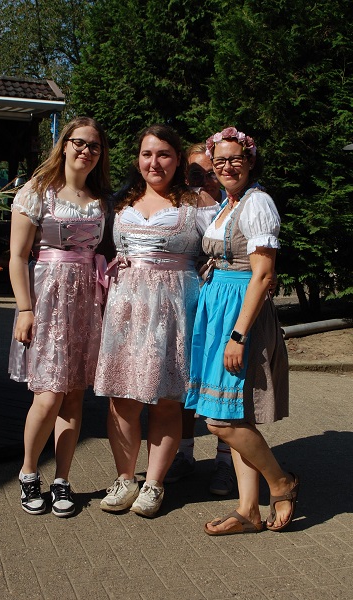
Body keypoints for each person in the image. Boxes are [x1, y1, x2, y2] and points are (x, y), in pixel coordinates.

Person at [94, 124, 217, 518]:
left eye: (163, 154)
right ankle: (126, 478)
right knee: (122, 398)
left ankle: (154, 484)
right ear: (138, 159)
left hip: (174, 308)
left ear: (178, 159)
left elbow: (229, 241)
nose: (154, 162)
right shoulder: (119, 201)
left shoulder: (197, 204)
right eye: (147, 154)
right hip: (126, 308)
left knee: (166, 399)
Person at [185, 126, 299, 535]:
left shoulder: (258, 203)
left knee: (220, 421)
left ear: (250, 160)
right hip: (219, 308)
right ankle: (249, 509)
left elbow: (264, 274)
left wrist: (238, 334)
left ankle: (280, 482)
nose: (227, 166)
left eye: (236, 158)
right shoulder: (227, 205)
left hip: (239, 313)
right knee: (233, 414)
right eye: (220, 161)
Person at [8, 116, 111, 517]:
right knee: (48, 394)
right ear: (65, 145)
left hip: (87, 299)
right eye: (80, 143)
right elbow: (18, 255)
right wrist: (24, 307)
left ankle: (62, 479)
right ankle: (29, 472)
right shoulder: (37, 192)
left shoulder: (101, 199)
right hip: (47, 296)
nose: (86, 151)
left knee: (74, 395)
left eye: (95, 146)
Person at [164, 143, 234, 497]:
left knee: (222, 380)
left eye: (211, 172)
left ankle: (225, 462)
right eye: (196, 173)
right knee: (182, 379)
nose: (205, 179)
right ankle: (185, 454)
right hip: (185, 298)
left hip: (221, 302)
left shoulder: (234, 203)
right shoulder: (178, 202)